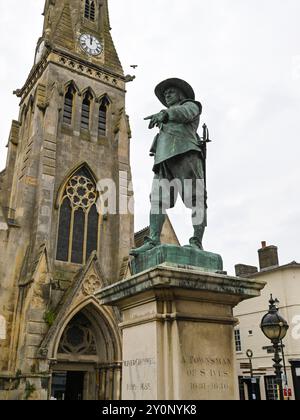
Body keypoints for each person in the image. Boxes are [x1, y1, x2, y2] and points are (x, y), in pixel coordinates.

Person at [130, 78, 207, 256]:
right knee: (157, 200)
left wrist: (165, 114)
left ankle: (197, 241)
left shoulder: (191, 106)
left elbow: (185, 113)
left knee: (196, 199)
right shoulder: (166, 115)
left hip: (185, 153)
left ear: (181, 94)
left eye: (171, 91)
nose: (167, 94)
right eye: (165, 94)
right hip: (163, 160)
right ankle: (153, 240)